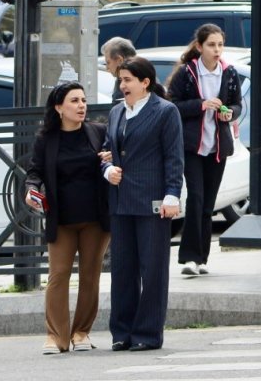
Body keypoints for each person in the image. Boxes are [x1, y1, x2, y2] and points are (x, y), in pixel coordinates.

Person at [102, 57, 184, 352]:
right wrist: (107, 171)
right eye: (120, 80)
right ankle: (122, 332)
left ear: (145, 82)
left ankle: (147, 333)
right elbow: (107, 150)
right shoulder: (115, 113)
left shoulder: (165, 111)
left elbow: (174, 156)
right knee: (122, 270)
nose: (122, 85)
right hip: (121, 201)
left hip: (153, 201)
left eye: (127, 80)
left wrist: (172, 194)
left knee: (152, 271)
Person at [25, 82, 111, 355]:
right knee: (58, 275)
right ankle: (56, 337)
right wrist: (31, 190)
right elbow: (34, 172)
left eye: (83, 100)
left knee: (90, 275)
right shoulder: (46, 140)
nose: (81, 105)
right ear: (59, 107)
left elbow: (115, 162)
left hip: (95, 219)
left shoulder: (98, 133)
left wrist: (110, 158)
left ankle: (81, 333)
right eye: (74, 101)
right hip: (61, 219)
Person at [166, 24, 242, 276]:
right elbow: (172, 106)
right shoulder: (187, 73)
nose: (217, 50)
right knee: (196, 199)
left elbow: (238, 105)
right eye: (211, 45)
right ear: (199, 47)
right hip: (191, 147)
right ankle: (188, 257)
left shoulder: (229, 73)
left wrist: (230, 113)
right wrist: (201, 105)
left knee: (209, 205)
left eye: (220, 44)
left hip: (217, 147)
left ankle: (202, 259)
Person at [101, 37, 138, 103]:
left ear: (119, 60)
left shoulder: (138, 81)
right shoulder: (121, 79)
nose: (107, 67)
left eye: (108, 62)